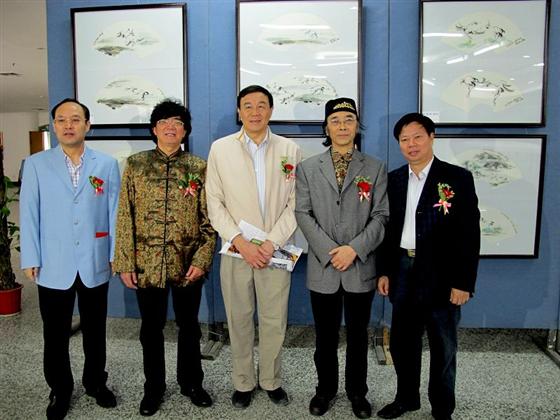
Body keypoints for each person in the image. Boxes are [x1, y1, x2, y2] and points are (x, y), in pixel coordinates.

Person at [113, 100, 216, 416]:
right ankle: (153, 388)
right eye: (164, 122)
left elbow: (209, 220)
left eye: (178, 122)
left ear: (185, 131)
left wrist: (202, 260)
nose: (171, 127)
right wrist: (125, 263)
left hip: (188, 262)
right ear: (154, 129)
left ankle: (191, 383)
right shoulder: (136, 165)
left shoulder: (198, 167)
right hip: (146, 263)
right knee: (150, 329)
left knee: (190, 327)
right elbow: (124, 216)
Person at [20, 98, 120, 420]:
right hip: (53, 261)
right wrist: (31, 256)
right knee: (55, 333)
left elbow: (114, 212)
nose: (68, 125)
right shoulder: (36, 164)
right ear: (54, 126)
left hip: (95, 260)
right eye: (61, 120)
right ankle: (60, 389)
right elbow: (29, 213)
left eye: (75, 119)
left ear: (87, 125)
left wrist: (114, 254)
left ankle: (95, 383)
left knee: (95, 330)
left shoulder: (106, 164)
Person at [376, 113, 480, 420]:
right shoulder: (394, 180)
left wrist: (463, 282)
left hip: (442, 275)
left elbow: (469, 234)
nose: (412, 144)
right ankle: (406, 398)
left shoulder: (457, 178)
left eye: (418, 137)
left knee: (443, 346)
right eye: (404, 139)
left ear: (432, 137)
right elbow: (387, 230)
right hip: (403, 269)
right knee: (402, 343)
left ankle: (442, 408)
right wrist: (384, 270)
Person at [205, 85, 301, 409]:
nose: (255, 112)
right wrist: (240, 241)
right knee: (239, 318)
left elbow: (295, 204)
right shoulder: (221, 149)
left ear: (271, 110)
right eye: (248, 106)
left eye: (262, 105)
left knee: (274, 319)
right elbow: (214, 202)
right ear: (239, 111)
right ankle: (243, 382)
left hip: (276, 250)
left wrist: (272, 242)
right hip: (236, 251)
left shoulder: (290, 150)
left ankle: (271, 380)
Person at [295, 98, 389, 419]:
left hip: (359, 266)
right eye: (335, 120)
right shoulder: (309, 168)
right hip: (323, 267)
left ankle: (357, 393)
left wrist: (354, 249)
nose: (342, 126)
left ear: (357, 126)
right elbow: (303, 213)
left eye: (349, 119)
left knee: (358, 336)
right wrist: (330, 250)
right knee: (325, 336)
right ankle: (325, 390)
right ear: (326, 128)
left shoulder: (374, 167)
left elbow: (381, 215)